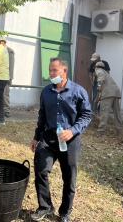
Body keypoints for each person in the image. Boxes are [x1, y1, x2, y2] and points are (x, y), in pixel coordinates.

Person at [30, 58, 92, 222]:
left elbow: (86, 116)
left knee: (69, 177)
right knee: (41, 170)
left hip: (70, 140)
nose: (51, 74)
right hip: (48, 139)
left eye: (54, 71)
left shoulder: (78, 91)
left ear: (64, 71)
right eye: (50, 70)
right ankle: (45, 207)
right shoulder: (46, 92)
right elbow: (42, 115)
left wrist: (72, 131)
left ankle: (65, 212)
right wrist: (37, 137)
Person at [94, 61, 123, 133]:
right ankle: (119, 129)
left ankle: (101, 130)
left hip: (108, 93)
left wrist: (98, 88)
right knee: (117, 112)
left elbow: (100, 80)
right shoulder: (106, 72)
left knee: (104, 112)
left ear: (96, 67)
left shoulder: (99, 71)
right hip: (115, 92)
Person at [0, 38, 15, 118]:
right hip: (0, 76)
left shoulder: (9, 51)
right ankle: (0, 110)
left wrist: (10, 77)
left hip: (6, 76)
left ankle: (6, 111)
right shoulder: (0, 51)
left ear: (4, 42)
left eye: (2, 42)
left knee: (5, 94)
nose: (0, 43)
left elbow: (11, 65)